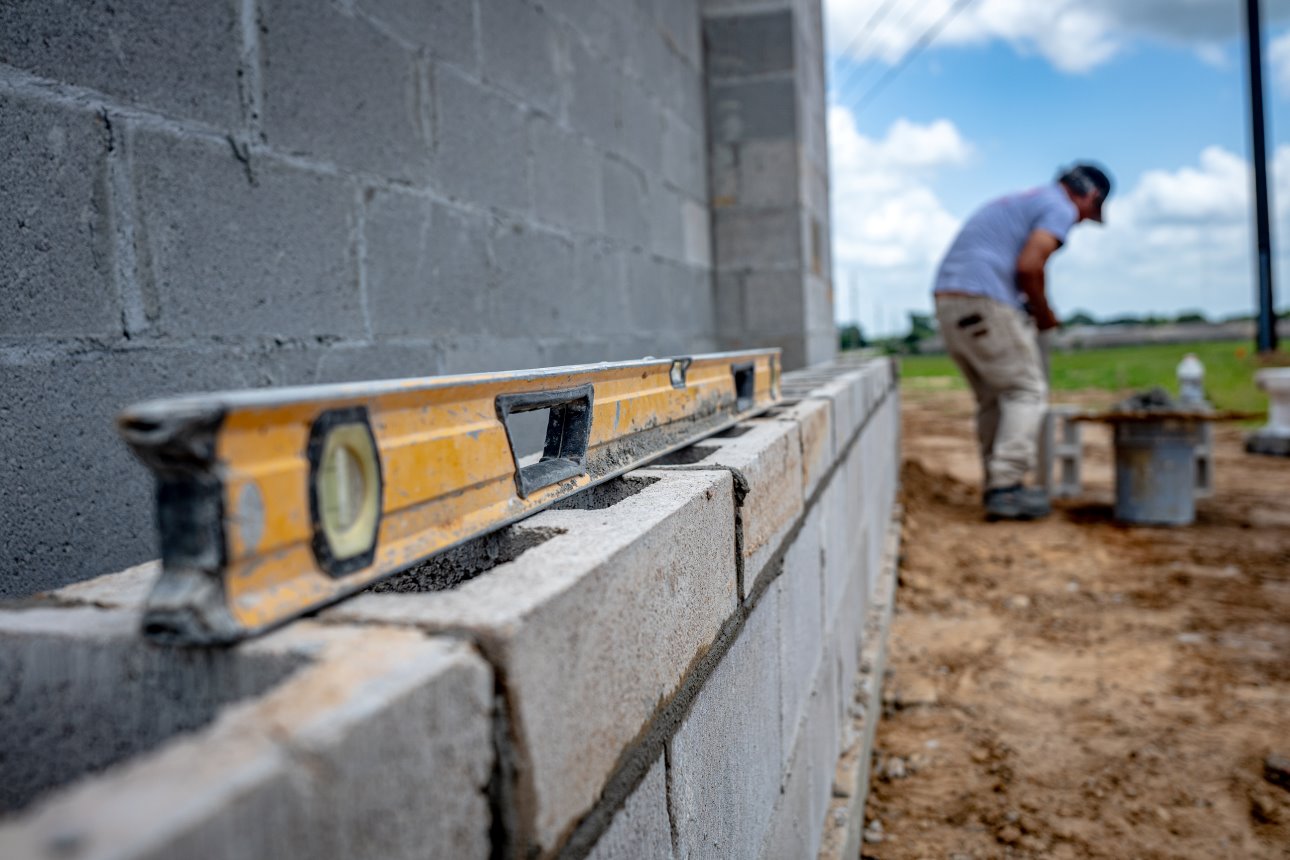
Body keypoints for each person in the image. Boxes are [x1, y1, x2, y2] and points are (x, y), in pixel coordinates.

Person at [932, 163, 1112, 521]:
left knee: (994, 399)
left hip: (949, 300)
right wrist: (1044, 313)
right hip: (983, 298)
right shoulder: (1059, 205)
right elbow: (1030, 266)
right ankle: (1007, 487)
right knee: (1026, 390)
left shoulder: (1027, 200)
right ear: (1089, 194)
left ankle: (997, 484)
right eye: (1087, 213)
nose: (1078, 222)